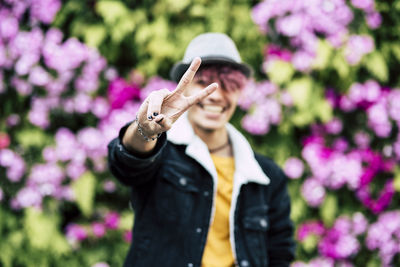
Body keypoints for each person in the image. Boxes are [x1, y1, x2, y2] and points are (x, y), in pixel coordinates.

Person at [107, 33, 295, 267]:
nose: (215, 95)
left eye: (228, 84)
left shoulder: (266, 176)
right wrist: (145, 129)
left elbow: (280, 252)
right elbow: (126, 162)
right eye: (203, 83)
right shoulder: (162, 152)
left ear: (240, 92)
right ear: (184, 88)